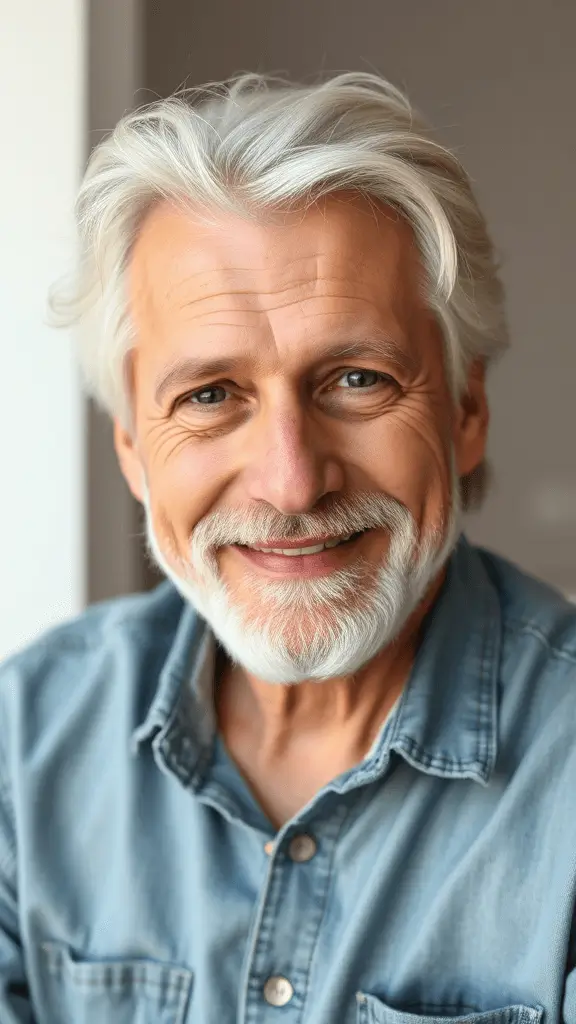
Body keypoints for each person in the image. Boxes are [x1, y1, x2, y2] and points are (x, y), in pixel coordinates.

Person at [0, 72, 574, 1024]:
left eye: (356, 377)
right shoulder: (23, 748)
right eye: (210, 395)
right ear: (134, 449)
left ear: (468, 409)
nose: (292, 481)